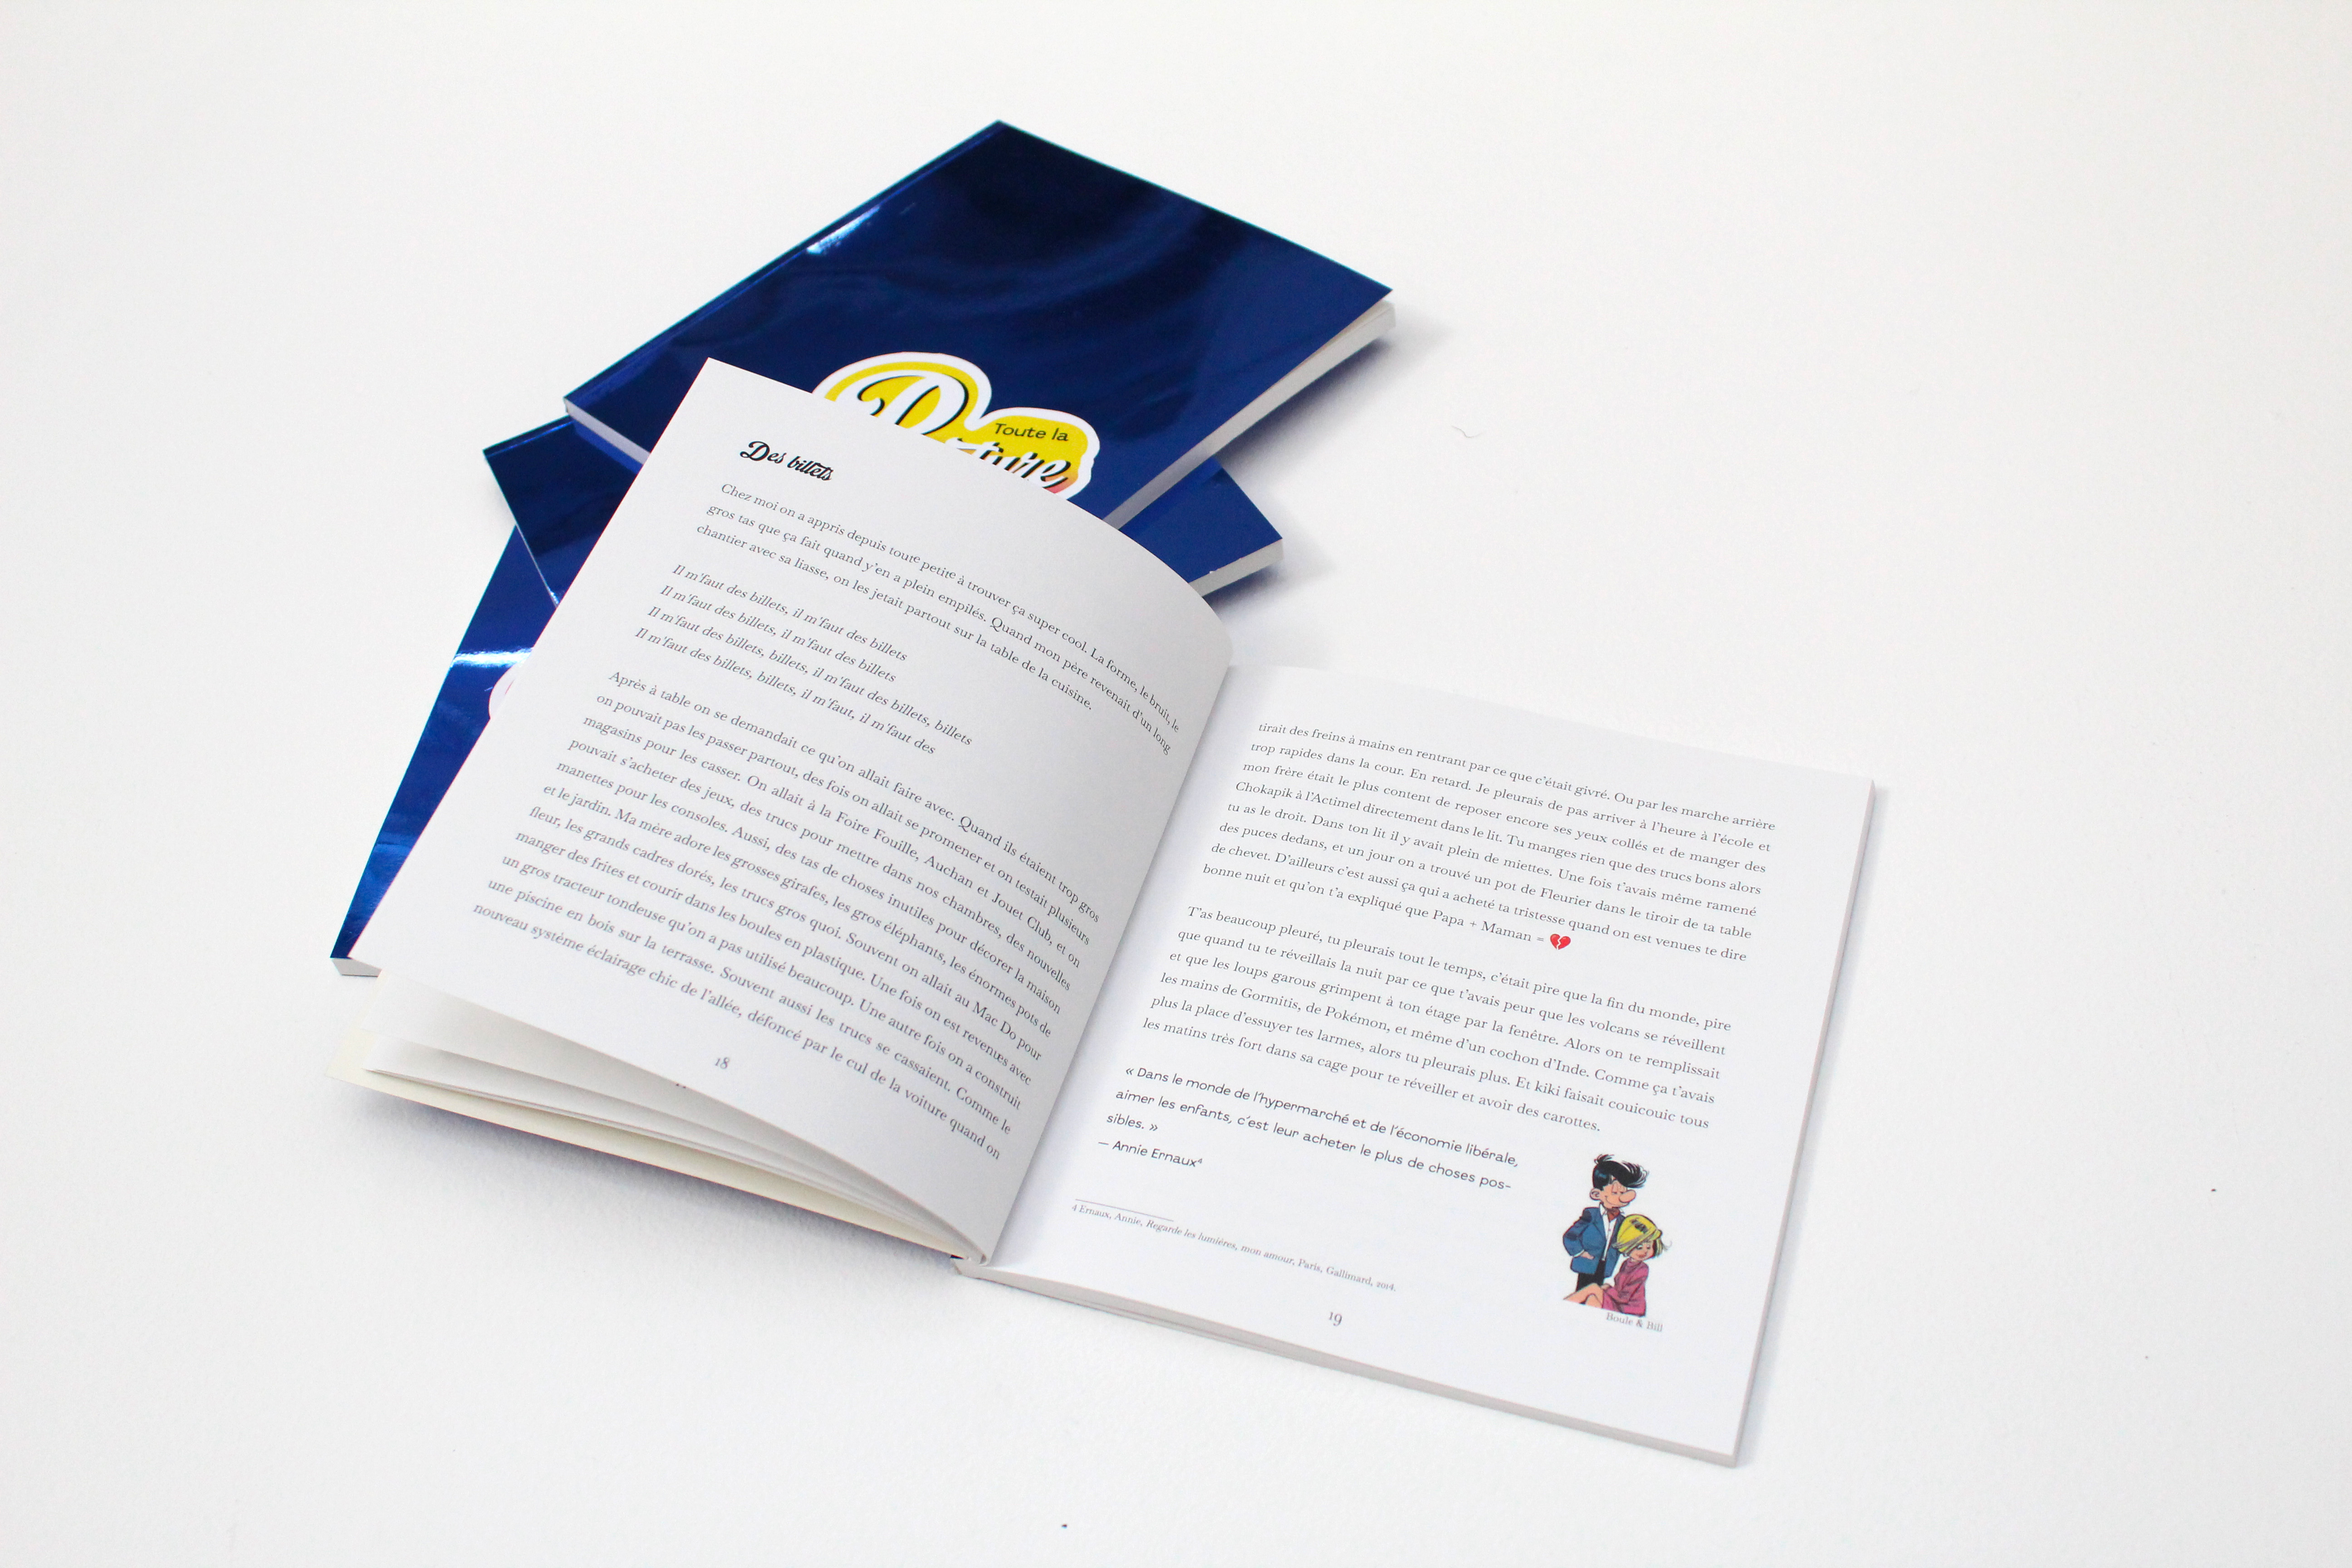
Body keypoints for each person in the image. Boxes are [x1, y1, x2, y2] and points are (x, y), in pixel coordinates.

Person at [1561, 1154, 1646, 1293]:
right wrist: (1581, 1253)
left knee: (1596, 1294)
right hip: (1588, 1264)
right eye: (1615, 1192)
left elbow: (1622, 1241)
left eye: (1624, 1192)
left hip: (1606, 1265)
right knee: (1583, 1292)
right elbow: (1570, 1236)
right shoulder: (1591, 1215)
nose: (1623, 1197)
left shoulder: (1622, 1221)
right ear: (1596, 1194)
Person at [1567, 1215, 1664, 1316]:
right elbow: (1619, 1290)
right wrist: (1608, 1288)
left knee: (1594, 1289)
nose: (1645, 1252)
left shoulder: (1642, 1269)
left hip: (1629, 1309)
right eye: (1639, 1247)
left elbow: (1625, 1297)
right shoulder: (1626, 1264)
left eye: (1649, 1247)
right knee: (1592, 1299)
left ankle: (1565, 1306)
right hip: (1619, 1303)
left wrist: (1608, 1288)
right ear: (1626, 1244)